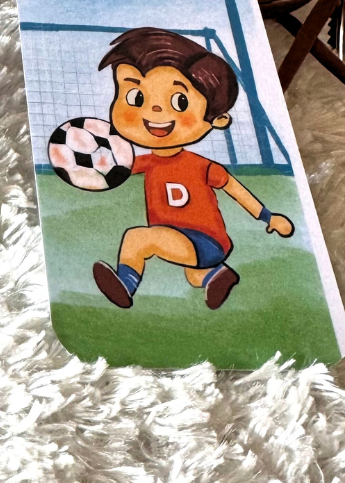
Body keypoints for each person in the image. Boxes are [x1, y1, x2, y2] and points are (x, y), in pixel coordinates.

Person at [91, 27, 294, 310]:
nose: (155, 111)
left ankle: (124, 285)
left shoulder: (202, 166)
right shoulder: (148, 162)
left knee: (138, 239)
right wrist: (90, 168)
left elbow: (235, 190)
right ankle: (217, 276)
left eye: (179, 101)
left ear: (218, 119)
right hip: (190, 242)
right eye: (136, 97)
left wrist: (269, 217)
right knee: (194, 274)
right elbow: (117, 170)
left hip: (204, 240)